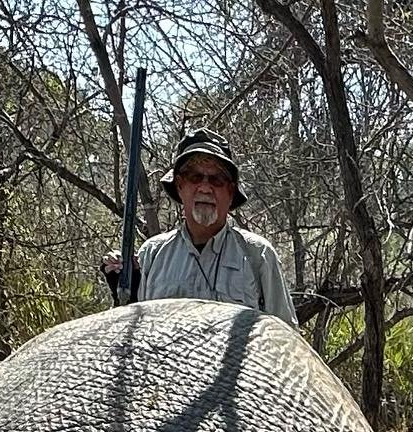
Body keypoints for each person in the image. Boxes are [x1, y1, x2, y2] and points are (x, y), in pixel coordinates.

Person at [102, 128, 296, 326]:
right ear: (179, 185)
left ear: (230, 191)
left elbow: (286, 337)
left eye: (217, 179)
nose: (205, 188)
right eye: (194, 177)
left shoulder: (259, 255)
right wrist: (124, 295)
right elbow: (130, 336)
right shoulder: (151, 255)